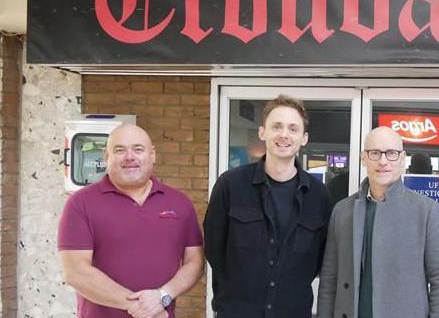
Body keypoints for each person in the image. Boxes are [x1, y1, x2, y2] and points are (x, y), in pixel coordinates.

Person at [204, 94, 332, 318]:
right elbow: (214, 249)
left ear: (304, 138)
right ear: (262, 132)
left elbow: (319, 259)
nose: (284, 134)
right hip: (237, 312)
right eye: (277, 126)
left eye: (293, 128)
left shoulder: (319, 195)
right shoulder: (230, 185)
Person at [58, 124, 204, 318]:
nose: (129, 157)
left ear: (152, 155)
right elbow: (76, 272)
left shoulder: (179, 203)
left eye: (138, 149)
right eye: (119, 150)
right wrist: (143, 307)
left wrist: (163, 296)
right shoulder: (81, 203)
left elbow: (195, 262)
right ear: (106, 156)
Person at [317, 126, 439, 318]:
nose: (383, 161)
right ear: (363, 158)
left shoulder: (426, 211)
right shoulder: (342, 211)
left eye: (391, 153)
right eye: (375, 153)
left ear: (402, 158)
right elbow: (329, 280)